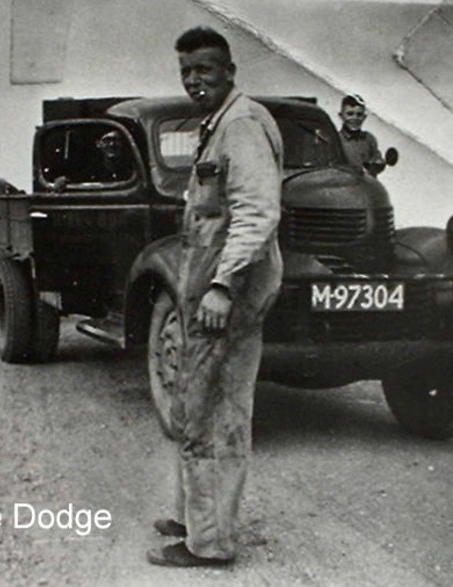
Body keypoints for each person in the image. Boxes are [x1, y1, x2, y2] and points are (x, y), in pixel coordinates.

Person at [146, 25, 283, 568]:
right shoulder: (218, 124)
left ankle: (209, 544)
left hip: (229, 292)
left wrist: (223, 287)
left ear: (229, 71)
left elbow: (257, 214)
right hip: (209, 289)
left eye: (204, 69)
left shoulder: (242, 125)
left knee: (210, 413)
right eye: (186, 71)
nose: (194, 80)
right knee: (195, 403)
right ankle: (195, 520)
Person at [337, 93, 386, 176]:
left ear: (364, 117)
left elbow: (376, 161)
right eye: (350, 114)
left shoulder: (369, 139)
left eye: (359, 114)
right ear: (341, 116)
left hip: (366, 183)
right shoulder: (336, 140)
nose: (355, 118)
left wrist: (378, 164)